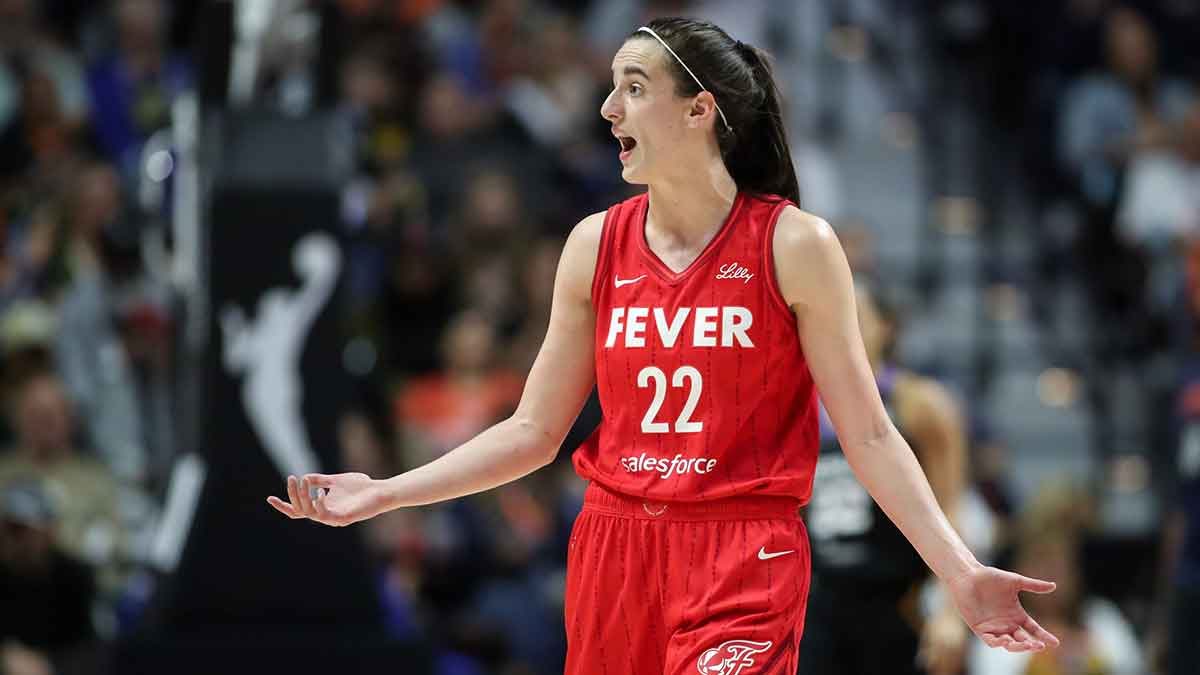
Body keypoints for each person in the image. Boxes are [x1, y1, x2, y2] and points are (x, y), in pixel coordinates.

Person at [269, 17, 1060, 674]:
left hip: (742, 554)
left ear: (700, 110)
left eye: (634, 89)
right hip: (614, 550)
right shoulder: (592, 245)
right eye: (612, 86)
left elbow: (870, 432)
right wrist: (385, 492)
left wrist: (958, 571)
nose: (608, 108)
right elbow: (531, 433)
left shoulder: (795, 244)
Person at [799, 282, 969, 675]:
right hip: (816, 603)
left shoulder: (920, 405)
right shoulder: (799, 403)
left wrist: (950, 612)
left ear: (887, 326)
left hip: (895, 601)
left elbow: (951, 511)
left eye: (854, 314)